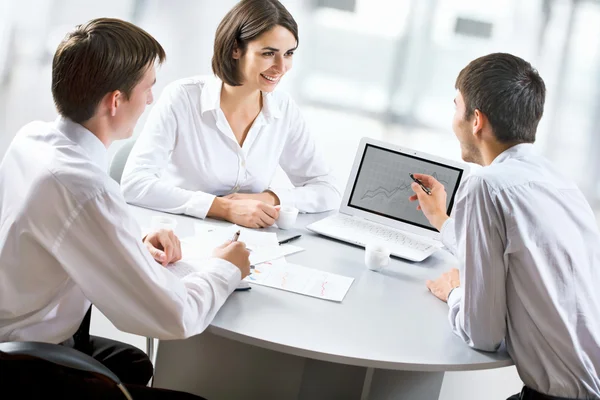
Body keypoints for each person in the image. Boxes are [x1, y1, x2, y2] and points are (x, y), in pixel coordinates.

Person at [0, 18, 251, 399]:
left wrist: (134, 240)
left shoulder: (32, 139)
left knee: (134, 363)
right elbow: (175, 316)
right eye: (148, 87)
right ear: (115, 101)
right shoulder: (84, 187)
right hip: (27, 364)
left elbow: (60, 227)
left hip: (16, 327)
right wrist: (226, 267)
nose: (151, 99)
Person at [409, 53, 600, 400]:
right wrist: (441, 218)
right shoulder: (559, 183)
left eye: (457, 107)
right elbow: (521, 252)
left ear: (476, 120)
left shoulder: (486, 185)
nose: (454, 119)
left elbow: (482, 334)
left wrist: (453, 292)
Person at [120, 0, 341, 229]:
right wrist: (224, 208)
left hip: (251, 244)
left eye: (289, 54)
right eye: (268, 53)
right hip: (181, 238)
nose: (281, 66)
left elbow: (327, 189)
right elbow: (134, 184)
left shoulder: (283, 109)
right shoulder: (183, 98)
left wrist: (268, 198)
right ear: (236, 49)